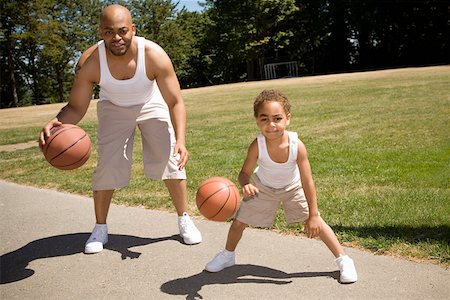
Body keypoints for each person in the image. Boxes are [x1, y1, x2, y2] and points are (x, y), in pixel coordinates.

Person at [39, 4, 202, 254]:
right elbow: (76, 107)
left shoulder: (153, 54)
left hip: (151, 102)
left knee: (170, 158)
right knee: (108, 165)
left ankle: (184, 219)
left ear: (133, 29)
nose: (116, 38)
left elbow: (175, 101)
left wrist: (181, 140)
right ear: (100, 33)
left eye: (122, 31)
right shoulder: (90, 62)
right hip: (113, 106)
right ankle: (100, 227)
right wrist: (58, 121)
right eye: (108, 32)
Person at [204, 90, 358, 284]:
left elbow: (307, 181)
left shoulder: (297, 146)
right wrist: (246, 185)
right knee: (238, 223)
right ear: (256, 120)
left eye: (277, 118)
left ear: (288, 119)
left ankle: (344, 259)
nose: (271, 125)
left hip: (292, 188)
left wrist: (313, 214)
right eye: (264, 119)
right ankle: (227, 255)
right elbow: (244, 173)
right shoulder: (257, 145)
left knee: (318, 224)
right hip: (263, 187)